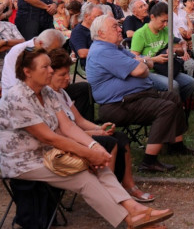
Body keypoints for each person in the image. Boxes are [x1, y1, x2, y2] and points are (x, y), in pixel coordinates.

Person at [0, 48, 172, 229]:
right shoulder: (16, 98)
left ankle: (134, 208)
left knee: (100, 166)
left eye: (50, 65)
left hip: (51, 153)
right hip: (24, 162)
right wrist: (88, 154)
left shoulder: (47, 92)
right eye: (45, 66)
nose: (50, 70)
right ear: (27, 71)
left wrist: (94, 147)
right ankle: (129, 220)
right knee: (83, 177)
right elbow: (48, 137)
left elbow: (68, 127)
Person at [87, 14, 194, 173]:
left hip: (136, 97)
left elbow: (145, 61)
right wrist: (142, 63)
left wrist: (142, 63)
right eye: (115, 27)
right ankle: (149, 161)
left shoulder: (115, 47)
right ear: (101, 33)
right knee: (166, 108)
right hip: (118, 105)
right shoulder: (102, 51)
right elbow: (141, 68)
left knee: (173, 96)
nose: (120, 29)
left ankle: (176, 145)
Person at [47, 48, 154, 202]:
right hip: (64, 143)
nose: (67, 79)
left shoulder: (62, 93)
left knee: (121, 137)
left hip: (76, 135)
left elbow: (80, 121)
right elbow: (62, 133)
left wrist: (100, 128)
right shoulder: (48, 96)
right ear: (50, 74)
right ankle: (107, 193)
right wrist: (96, 134)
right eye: (62, 75)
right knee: (109, 142)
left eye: (67, 73)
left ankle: (129, 186)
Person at [130, 2, 194, 102]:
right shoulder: (140, 34)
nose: (165, 24)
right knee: (173, 86)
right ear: (152, 17)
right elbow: (134, 59)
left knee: (191, 83)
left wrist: (174, 50)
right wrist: (154, 59)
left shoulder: (166, 30)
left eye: (167, 21)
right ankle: (172, 108)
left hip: (166, 69)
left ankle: (174, 105)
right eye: (163, 21)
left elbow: (178, 48)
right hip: (150, 72)